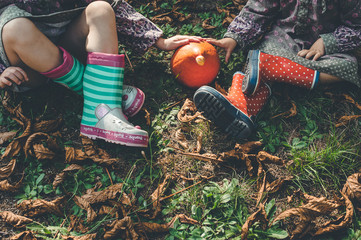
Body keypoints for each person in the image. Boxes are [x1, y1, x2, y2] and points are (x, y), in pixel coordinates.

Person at [0, 0, 201, 147]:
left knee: (101, 9)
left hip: (68, 48)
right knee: (16, 28)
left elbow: (116, 7)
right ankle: (104, 97)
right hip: (26, 67)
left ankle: (102, 113)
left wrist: (159, 41)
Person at [193, 0, 361, 139]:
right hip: (282, 40)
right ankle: (241, 107)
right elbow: (257, 10)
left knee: (349, 65)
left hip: (322, 50)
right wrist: (233, 37)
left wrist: (326, 42)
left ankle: (273, 69)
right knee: (263, 54)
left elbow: (357, 26)